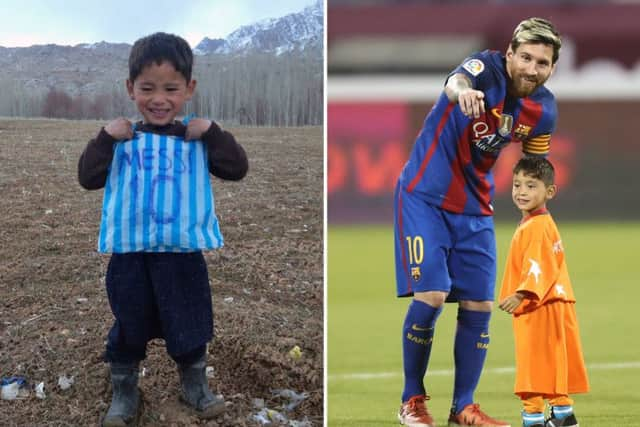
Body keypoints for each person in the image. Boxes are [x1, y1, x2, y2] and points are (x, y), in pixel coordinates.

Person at [394, 17, 561, 427]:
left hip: (476, 206)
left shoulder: (545, 111)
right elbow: (455, 82)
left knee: (480, 304)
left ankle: (462, 408)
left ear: (552, 67)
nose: (531, 68)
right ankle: (411, 401)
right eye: (525, 57)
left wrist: (538, 220)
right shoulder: (482, 69)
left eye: (542, 62)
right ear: (510, 54)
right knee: (432, 294)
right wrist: (464, 93)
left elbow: (534, 167)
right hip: (425, 196)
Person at [78, 32, 248, 426]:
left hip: (182, 255)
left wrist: (214, 133)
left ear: (189, 89)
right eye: (147, 88)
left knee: (189, 323)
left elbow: (237, 169)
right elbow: (87, 177)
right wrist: (104, 138)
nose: (159, 98)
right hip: (131, 255)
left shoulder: (196, 137)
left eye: (171, 88)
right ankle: (124, 390)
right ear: (130, 89)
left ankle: (194, 385)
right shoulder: (122, 138)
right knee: (129, 322)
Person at [498, 157, 589, 427]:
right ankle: (563, 415)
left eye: (531, 185)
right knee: (554, 361)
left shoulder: (536, 227)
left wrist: (521, 295)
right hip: (557, 302)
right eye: (517, 184)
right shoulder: (541, 222)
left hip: (538, 305)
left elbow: (538, 266)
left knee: (532, 364)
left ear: (549, 192)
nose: (522, 191)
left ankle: (533, 418)